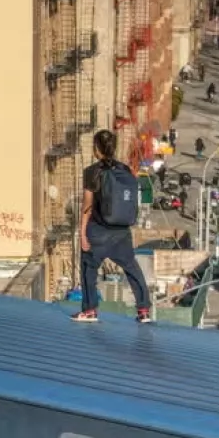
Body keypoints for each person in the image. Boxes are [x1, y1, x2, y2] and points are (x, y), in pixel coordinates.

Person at [77, 130, 153, 324]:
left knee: (89, 267)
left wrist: (83, 233)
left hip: (99, 229)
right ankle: (144, 310)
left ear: (96, 149)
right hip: (121, 231)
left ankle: (90, 310)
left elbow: (87, 206)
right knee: (132, 268)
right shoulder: (125, 170)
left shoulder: (92, 172)